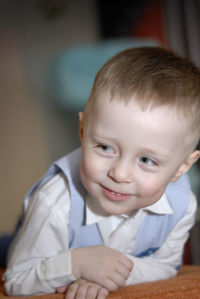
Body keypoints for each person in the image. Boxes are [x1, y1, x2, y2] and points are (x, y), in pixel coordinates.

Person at [3, 46, 200, 299]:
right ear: (83, 131)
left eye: (147, 160)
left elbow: (165, 266)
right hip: (30, 241)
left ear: (182, 167)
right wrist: (75, 265)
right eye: (106, 147)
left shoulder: (182, 205)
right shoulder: (55, 202)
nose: (120, 174)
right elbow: (17, 279)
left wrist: (105, 275)